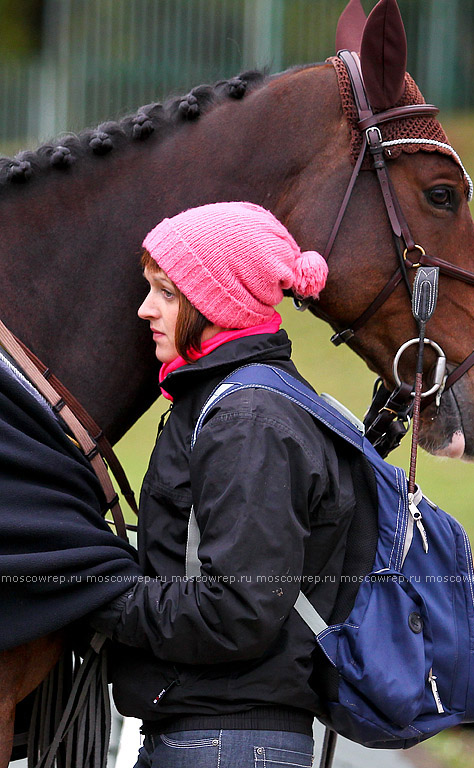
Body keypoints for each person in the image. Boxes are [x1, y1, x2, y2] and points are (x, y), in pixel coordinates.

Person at [91, 201, 375, 768]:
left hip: (226, 746)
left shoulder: (247, 421)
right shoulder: (240, 404)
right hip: (218, 741)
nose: (146, 310)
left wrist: (101, 596)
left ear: (217, 304)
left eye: (167, 293)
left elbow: (239, 608)